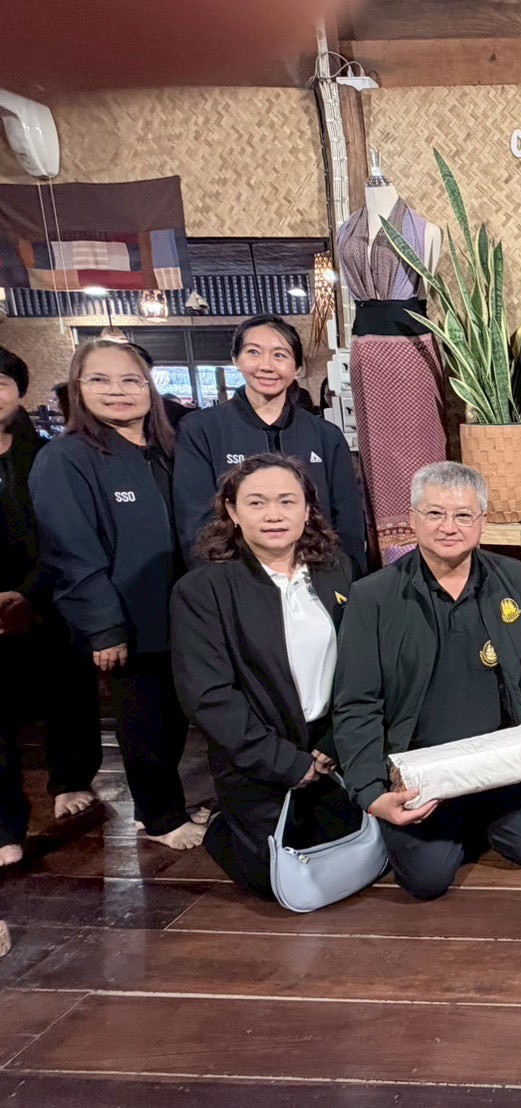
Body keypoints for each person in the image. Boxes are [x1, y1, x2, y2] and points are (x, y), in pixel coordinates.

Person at [334, 462, 521, 901]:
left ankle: (472, 820)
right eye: (435, 513)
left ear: (482, 521)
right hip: (421, 768)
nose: (449, 527)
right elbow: (357, 702)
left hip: (499, 760)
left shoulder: (513, 577)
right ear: (413, 518)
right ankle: (449, 825)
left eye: (463, 515)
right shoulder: (372, 596)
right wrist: (370, 792)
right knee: (427, 881)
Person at [29, 340, 203, 851]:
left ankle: (171, 804)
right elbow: (70, 551)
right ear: (78, 388)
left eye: (130, 380)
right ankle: (160, 817)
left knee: (179, 718)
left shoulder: (169, 451)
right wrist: (104, 625)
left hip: (183, 613)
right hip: (127, 618)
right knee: (145, 722)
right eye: (100, 380)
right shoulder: (66, 458)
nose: (118, 391)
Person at [171, 454, 361, 900]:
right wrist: (287, 763)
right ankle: (226, 824)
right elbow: (209, 698)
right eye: (256, 503)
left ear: (307, 510)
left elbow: (361, 664)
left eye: (286, 501)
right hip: (260, 752)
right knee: (278, 880)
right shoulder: (202, 590)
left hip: (331, 743)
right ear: (233, 512)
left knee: (361, 849)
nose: (273, 514)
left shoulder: (337, 569)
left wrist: (336, 740)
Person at [0, 348, 105, 866]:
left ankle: (70, 780)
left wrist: (30, 592)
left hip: (49, 592)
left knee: (69, 692)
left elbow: (68, 534)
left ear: (20, 391)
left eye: (0, 384)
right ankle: (5, 825)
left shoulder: (49, 456)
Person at [173, 315, 366, 572]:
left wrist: (347, 576)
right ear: (236, 359)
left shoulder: (326, 435)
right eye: (254, 352)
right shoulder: (200, 429)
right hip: (234, 575)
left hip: (316, 573)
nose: (266, 366)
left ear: (297, 367)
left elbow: (348, 519)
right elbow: (195, 521)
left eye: (279, 355)